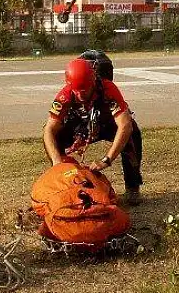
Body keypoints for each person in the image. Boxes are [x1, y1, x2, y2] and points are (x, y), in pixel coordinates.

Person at [43, 53, 144, 205]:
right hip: (80, 128)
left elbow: (125, 125)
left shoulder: (108, 89)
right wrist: (57, 162)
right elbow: (49, 129)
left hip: (106, 125)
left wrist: (107, 159)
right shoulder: (64, 96)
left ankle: (133, 187)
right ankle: (65, 183)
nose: (81, 95)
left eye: (85, 90)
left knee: (132, 135)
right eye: (77, 91)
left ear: (93, 82)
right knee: (55, 138)